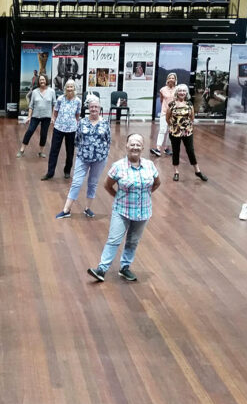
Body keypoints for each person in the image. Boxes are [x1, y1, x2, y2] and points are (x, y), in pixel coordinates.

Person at [88, 133, 161, 283]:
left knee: (133, 241)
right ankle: (101, 269)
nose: (135, 147)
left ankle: (125, 267)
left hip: (143, 212)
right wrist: (118, 197)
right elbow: (107, 185)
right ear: (126, 146)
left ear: (142, 147)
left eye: (138, 144)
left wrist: (145, 195)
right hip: (122, 211)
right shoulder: (118, 167)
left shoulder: (149, 165)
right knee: (114, 240)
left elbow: (157, 183)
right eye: (132, 144)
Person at [57, 95, 111, 219]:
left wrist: (102, 153)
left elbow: (108, 140)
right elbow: (77, 139)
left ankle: (87, 208)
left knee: (93, 183)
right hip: (83, 157)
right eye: (91, 107)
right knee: (76, 182)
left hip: (99, 159)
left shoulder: (105, 123)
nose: (94, 109)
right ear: (88, 108)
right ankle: (66, 209)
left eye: (96, 107)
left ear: (100, 108)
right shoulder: (82, 122)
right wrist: (84, 150)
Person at [166, 84, 208, 182]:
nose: (182, 93)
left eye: (184, 91)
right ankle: (176, 172)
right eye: (180, 91)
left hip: (187, 131)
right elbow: (167, 118)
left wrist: (187, 126)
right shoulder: (172, 104)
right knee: (176, 151)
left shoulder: (189, 104)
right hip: (175, 131)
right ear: (177, 92)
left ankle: (197, 171)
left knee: (190, 150)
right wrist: (173, 126)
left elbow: (192, 117)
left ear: (186, 93)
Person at [43, 80, 81, 181]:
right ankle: (50, 173)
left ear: (74, 88)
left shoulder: (78, 101)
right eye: (67, 87)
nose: (69, 89)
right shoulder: (60, 99)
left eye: (71, 87)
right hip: (59, 128)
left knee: (70, 152)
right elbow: (55, 111)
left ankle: (67, 171)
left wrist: (76, 124)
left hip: (71, 129)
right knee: (54, 151)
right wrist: (53, 119)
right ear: (65, 88)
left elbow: (77, 114)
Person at [17, 74, 53, 158]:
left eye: (43, 79)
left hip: (46, 117)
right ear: (38, 81)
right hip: (35, 116)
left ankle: (41, 152)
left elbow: (54, 104)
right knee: (29, 131)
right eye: (40, 80)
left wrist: (53, 116)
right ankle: (22, 150)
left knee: (43, 134)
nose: (42, 81)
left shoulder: (51, 91)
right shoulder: (35, 92)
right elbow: (31, 105)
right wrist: (29, 117)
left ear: (46, 80)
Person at [151, 73, 178, 157]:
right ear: (167, 79)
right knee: (162, 130)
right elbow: (161, 100)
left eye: (173, 78)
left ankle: (167, 148)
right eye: (170, 77)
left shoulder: (178, 90)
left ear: (175, 80)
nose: (171, 79)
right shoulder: (162, 89)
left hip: (174, 113)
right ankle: (158, 149)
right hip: (164, 112)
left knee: (171, 131)